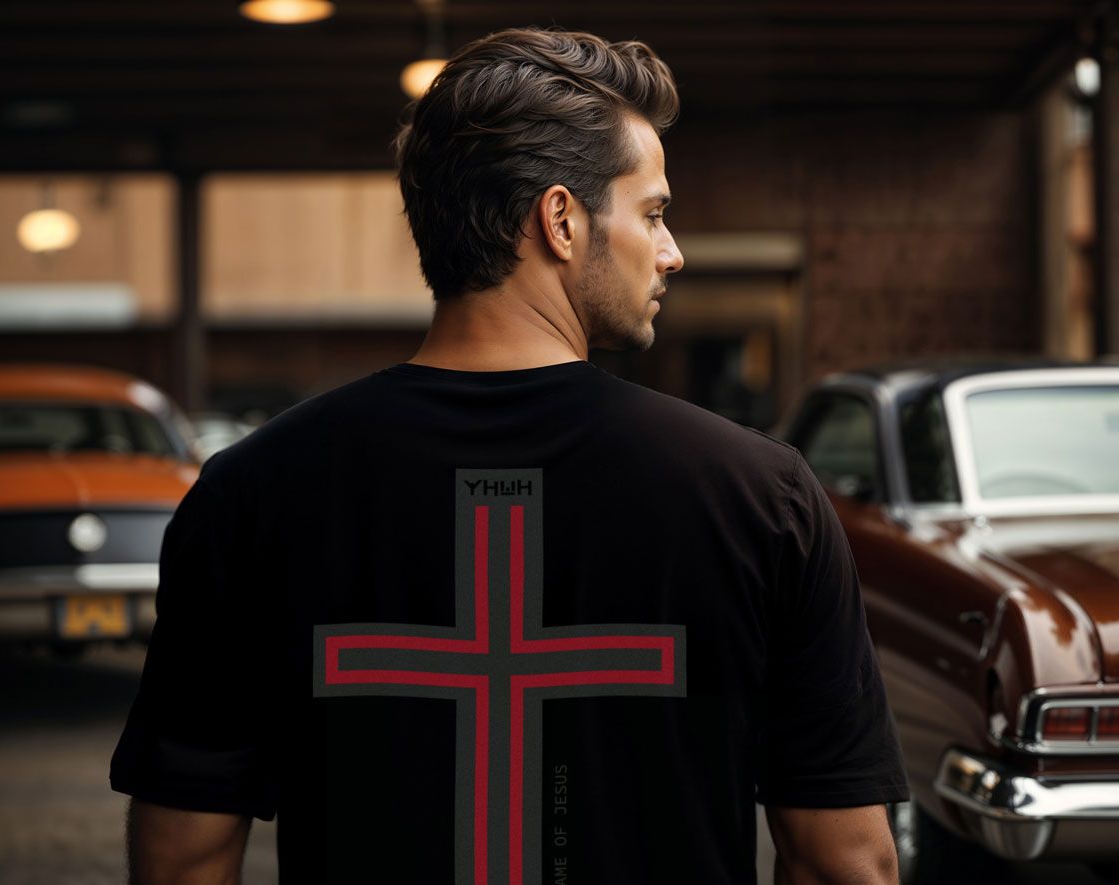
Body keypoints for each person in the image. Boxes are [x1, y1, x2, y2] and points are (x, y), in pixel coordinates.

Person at [111, 27, 907, 885]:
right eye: (654, 213)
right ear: (560, 220)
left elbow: (183, 854)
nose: (671, 251)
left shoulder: (251, 495)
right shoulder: (764, 498)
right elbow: (843, 865)